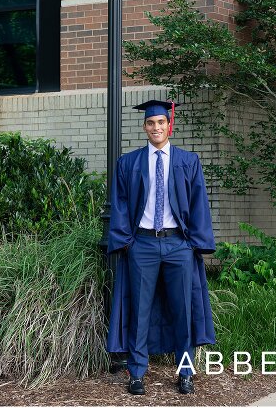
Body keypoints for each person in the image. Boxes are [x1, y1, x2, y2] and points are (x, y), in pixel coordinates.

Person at [106, 100, 216, 395]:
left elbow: (198, 204)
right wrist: (126, 241)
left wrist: (193, 243)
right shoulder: (128, 163)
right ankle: (137, 373)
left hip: (177, 245)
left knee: (183, 310)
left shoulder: (187, 161)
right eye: (151, 123)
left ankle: (185, 372)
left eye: (161, 123)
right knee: (139, 311)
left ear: (170, 125)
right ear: (145, 127)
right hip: (142, 244)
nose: (156, 128)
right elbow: (120, 205)